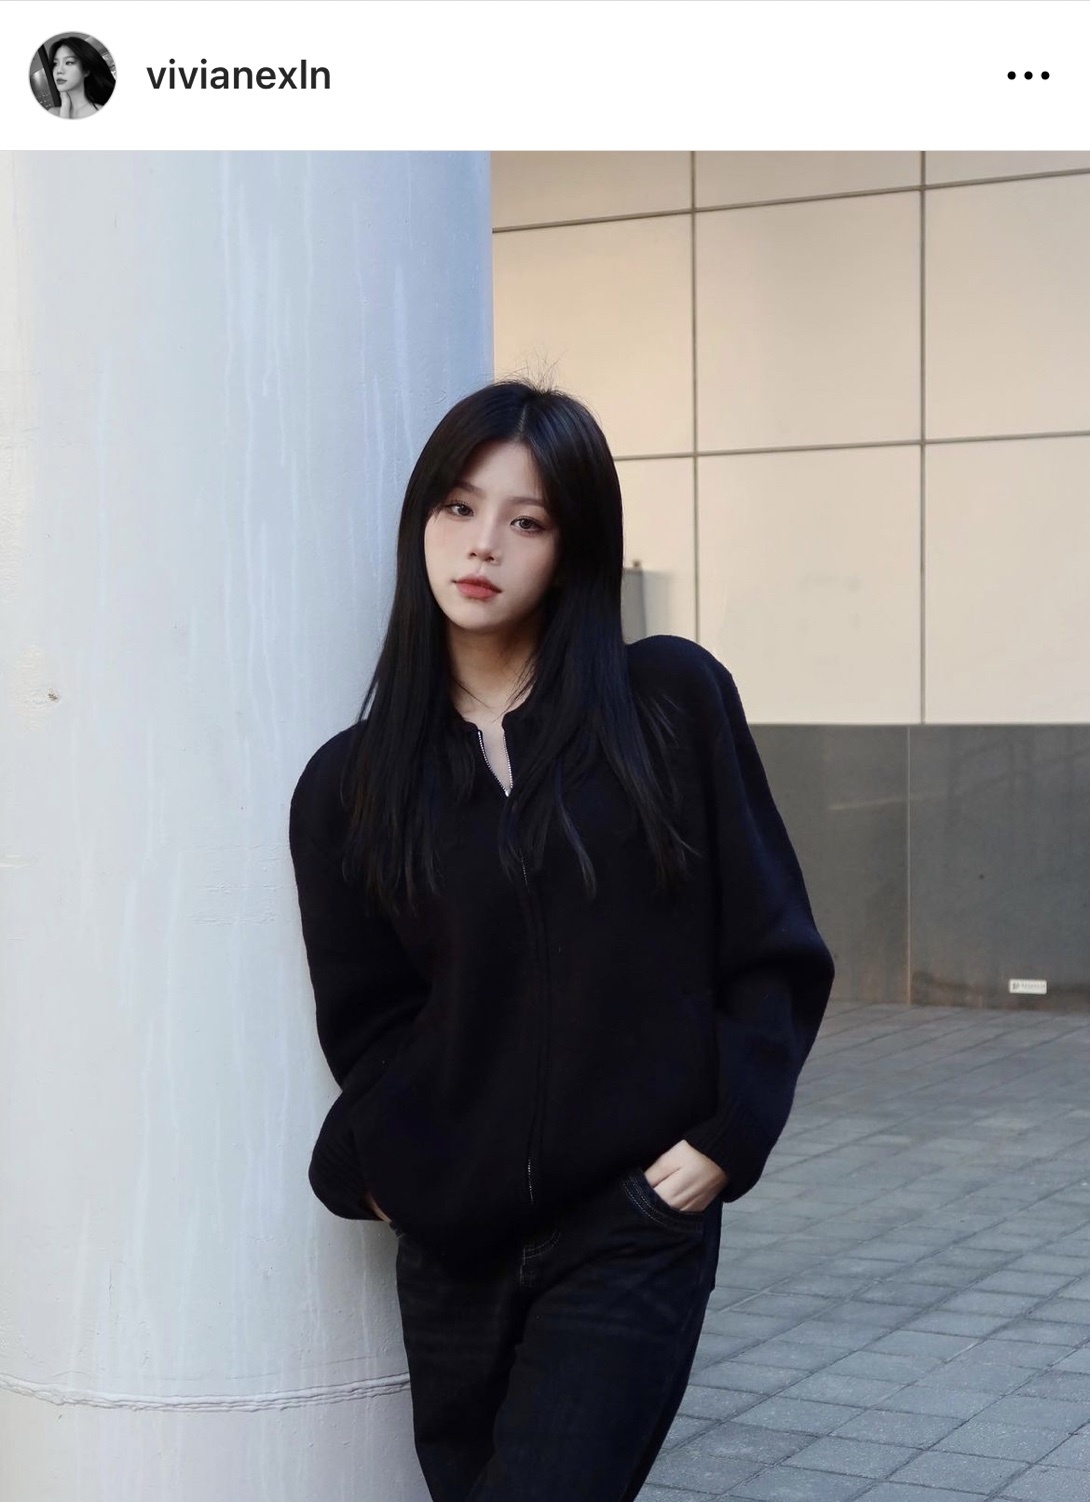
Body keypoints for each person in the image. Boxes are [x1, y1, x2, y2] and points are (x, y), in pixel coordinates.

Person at [288, 379, 835, 1502]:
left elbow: (771, 944)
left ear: (572, 546)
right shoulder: (350, 785)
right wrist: (396, 1176)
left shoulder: (668, 704)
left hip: (629, 1225)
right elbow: (373, 1027)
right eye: (457, 507)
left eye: (525, 519)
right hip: (457, 1250)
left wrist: (725, 1137)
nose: (481, 543)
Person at [46, 37, 114, 118]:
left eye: (69, 62)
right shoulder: (52, 113)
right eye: (55, 64)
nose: (59, 70)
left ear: (86, 71)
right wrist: (65, 108)